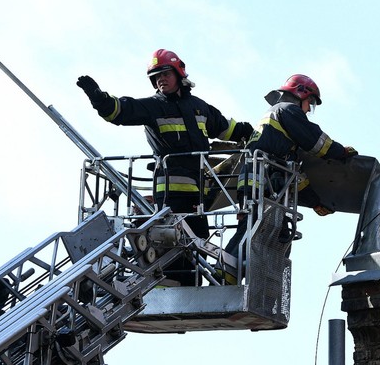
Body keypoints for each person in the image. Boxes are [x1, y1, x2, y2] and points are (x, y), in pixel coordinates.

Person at [76, 49, 255, 286]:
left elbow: (226, 128)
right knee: (170, 243)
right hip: (170, 194)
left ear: (179, 73)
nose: (160, 79)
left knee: (196, 242)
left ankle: (187, 290)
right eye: (156, 76)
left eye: (165, 73)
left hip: (199, 196)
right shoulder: (153, 107)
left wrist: (251, 132)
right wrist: (98, 98)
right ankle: (163, 288)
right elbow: (119, 111)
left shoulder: (199, 108)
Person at [226, 74, 357, 259]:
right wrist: (340, 151)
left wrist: (315, 203)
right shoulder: (287, 110)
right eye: (310, 102)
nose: (308, 110)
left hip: (259, 181)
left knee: (265, 234)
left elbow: (295, 175)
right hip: (262, 181)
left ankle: (238, 275)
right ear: (301, 94)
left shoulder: (281, 135)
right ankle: (227, 271)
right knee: (253, 229)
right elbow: (317, 142)